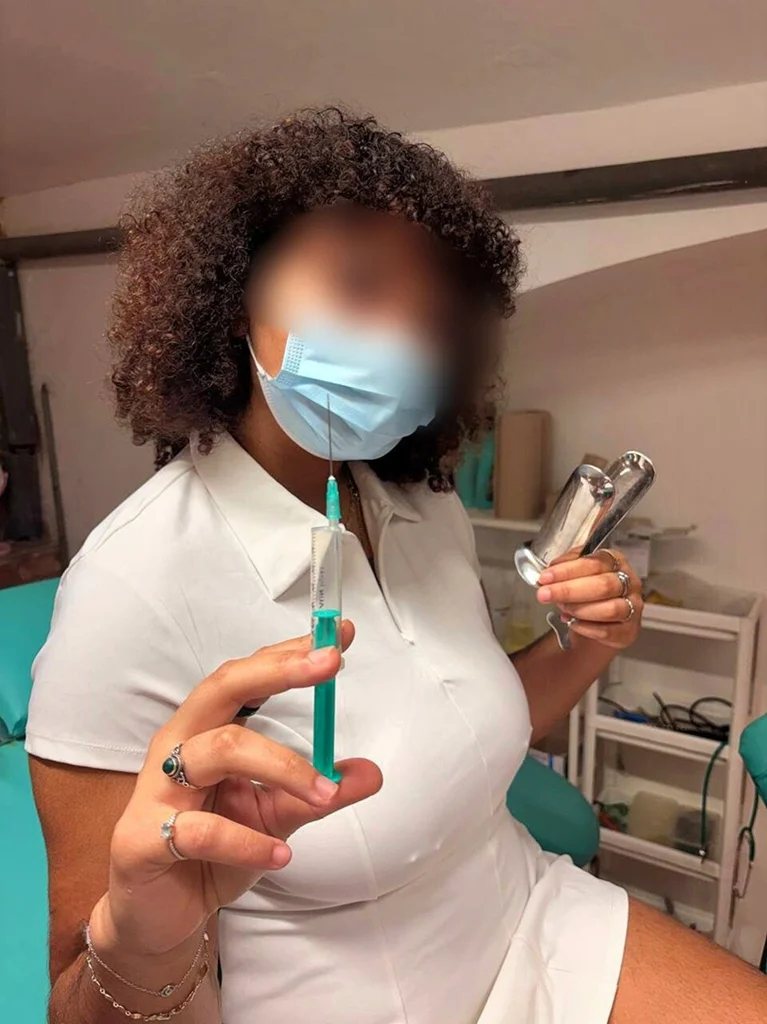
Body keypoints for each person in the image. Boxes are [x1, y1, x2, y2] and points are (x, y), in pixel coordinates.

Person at [27, 109, 766, 1024]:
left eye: (429, 320)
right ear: (233, 293)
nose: (399, 341)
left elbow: (464, 721)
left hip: (526, 913)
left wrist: (590, 639)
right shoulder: (129, 584)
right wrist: (145, 941)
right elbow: (78, 996)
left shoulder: (421, 506)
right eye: (359, 283)